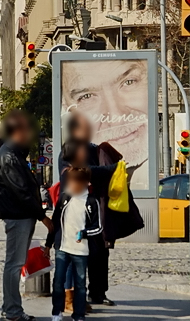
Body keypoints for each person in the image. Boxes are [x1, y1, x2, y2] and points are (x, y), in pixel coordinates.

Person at [59, 110, 143, 309]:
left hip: (97, 207)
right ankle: (73, 297)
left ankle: (98, 293)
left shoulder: (93, 148)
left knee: (100, 251)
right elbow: (81, 173)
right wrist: (111, 169)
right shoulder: (69, 149)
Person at [0, 109, 52, 321]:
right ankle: (12, 311)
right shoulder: (8, 156)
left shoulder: (11, 153)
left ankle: (11, 308)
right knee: (14, 264)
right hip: (18, 216)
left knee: (14, 263)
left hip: (20, 215)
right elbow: (22, 191)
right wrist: (43, 216)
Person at [60, 58, 149, 190]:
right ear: (66, 107)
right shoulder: (71, 151)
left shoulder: (95, 149)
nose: (117, 118)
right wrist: (115, 168)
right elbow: (81, 173)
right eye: (86, 96)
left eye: (129, 82)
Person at [46, 165, 102, 321]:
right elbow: (55, 222)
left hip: (81, 251)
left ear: (85, 183)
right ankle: (57, 312)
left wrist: (84, 233)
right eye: (70, 182)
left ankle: (78, 314)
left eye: (75, 182)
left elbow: (98, 227)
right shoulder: (64, 198)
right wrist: (48, 244)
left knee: (80, 283)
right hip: (62, 248)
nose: (72, 185)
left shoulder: (91, 201)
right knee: (58, 282)